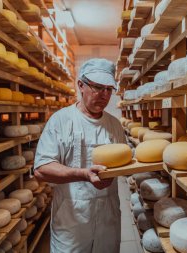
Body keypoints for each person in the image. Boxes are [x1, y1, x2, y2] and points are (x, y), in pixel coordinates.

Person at [34, 58, 126, 253]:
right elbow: (41, 169)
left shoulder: (114, 125)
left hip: (108, 217)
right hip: (72, 221)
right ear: (81, 85)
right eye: (98, 87)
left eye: (109, 89)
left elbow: (124, 163)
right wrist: (83, 174)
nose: (104, 95)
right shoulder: (61, 120)